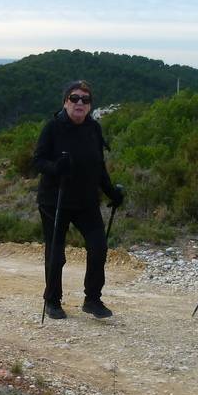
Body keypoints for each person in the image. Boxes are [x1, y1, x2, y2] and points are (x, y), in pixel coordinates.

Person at [32, 79, 124, 320]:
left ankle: (92, 299)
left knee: (98, 247)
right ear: (65, 102)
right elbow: (38, 161)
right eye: (74, 98)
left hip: (86, 200)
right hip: (55, 200)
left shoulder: (94, 129)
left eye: (85, 99)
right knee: (56, 253)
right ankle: (52, 300)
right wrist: (55, 168)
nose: (79, 103)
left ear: (90, 105)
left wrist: (111, 192)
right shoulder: (52, 127)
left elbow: (98, 166)